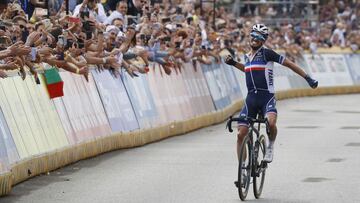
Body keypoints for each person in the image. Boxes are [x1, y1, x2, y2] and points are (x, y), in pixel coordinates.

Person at [225, 24, 318, 166]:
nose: (255, 39)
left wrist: (307, 78)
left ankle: (270, 146)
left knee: (271, 123)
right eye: (253, 35)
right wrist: (233, 63)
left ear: (263, 40)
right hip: (251, 99)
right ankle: (242, 169)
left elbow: (289, 64)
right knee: (240, 134)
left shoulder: (267, 53)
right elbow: (248, 70)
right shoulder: (247, 56)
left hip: (266, 98)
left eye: (259, 37)